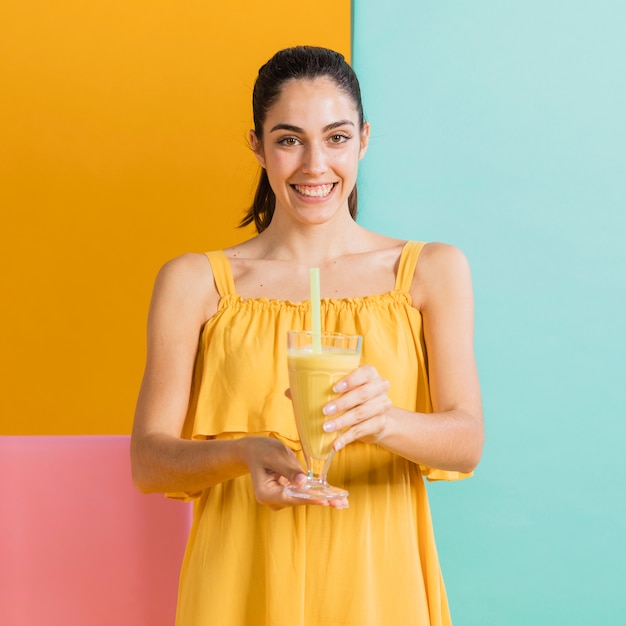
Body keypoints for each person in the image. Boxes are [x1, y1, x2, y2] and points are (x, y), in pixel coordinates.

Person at [131, 45, 484, 626]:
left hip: (377, 578)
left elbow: (466, 440)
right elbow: (149, 461)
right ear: (257, 144)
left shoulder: (431, 270)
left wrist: (384, 420)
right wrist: (241, 453)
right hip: (238, 577)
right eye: (289, 139)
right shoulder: (195, 282)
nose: (315, 165)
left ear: (364, 139)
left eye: (337, 138)